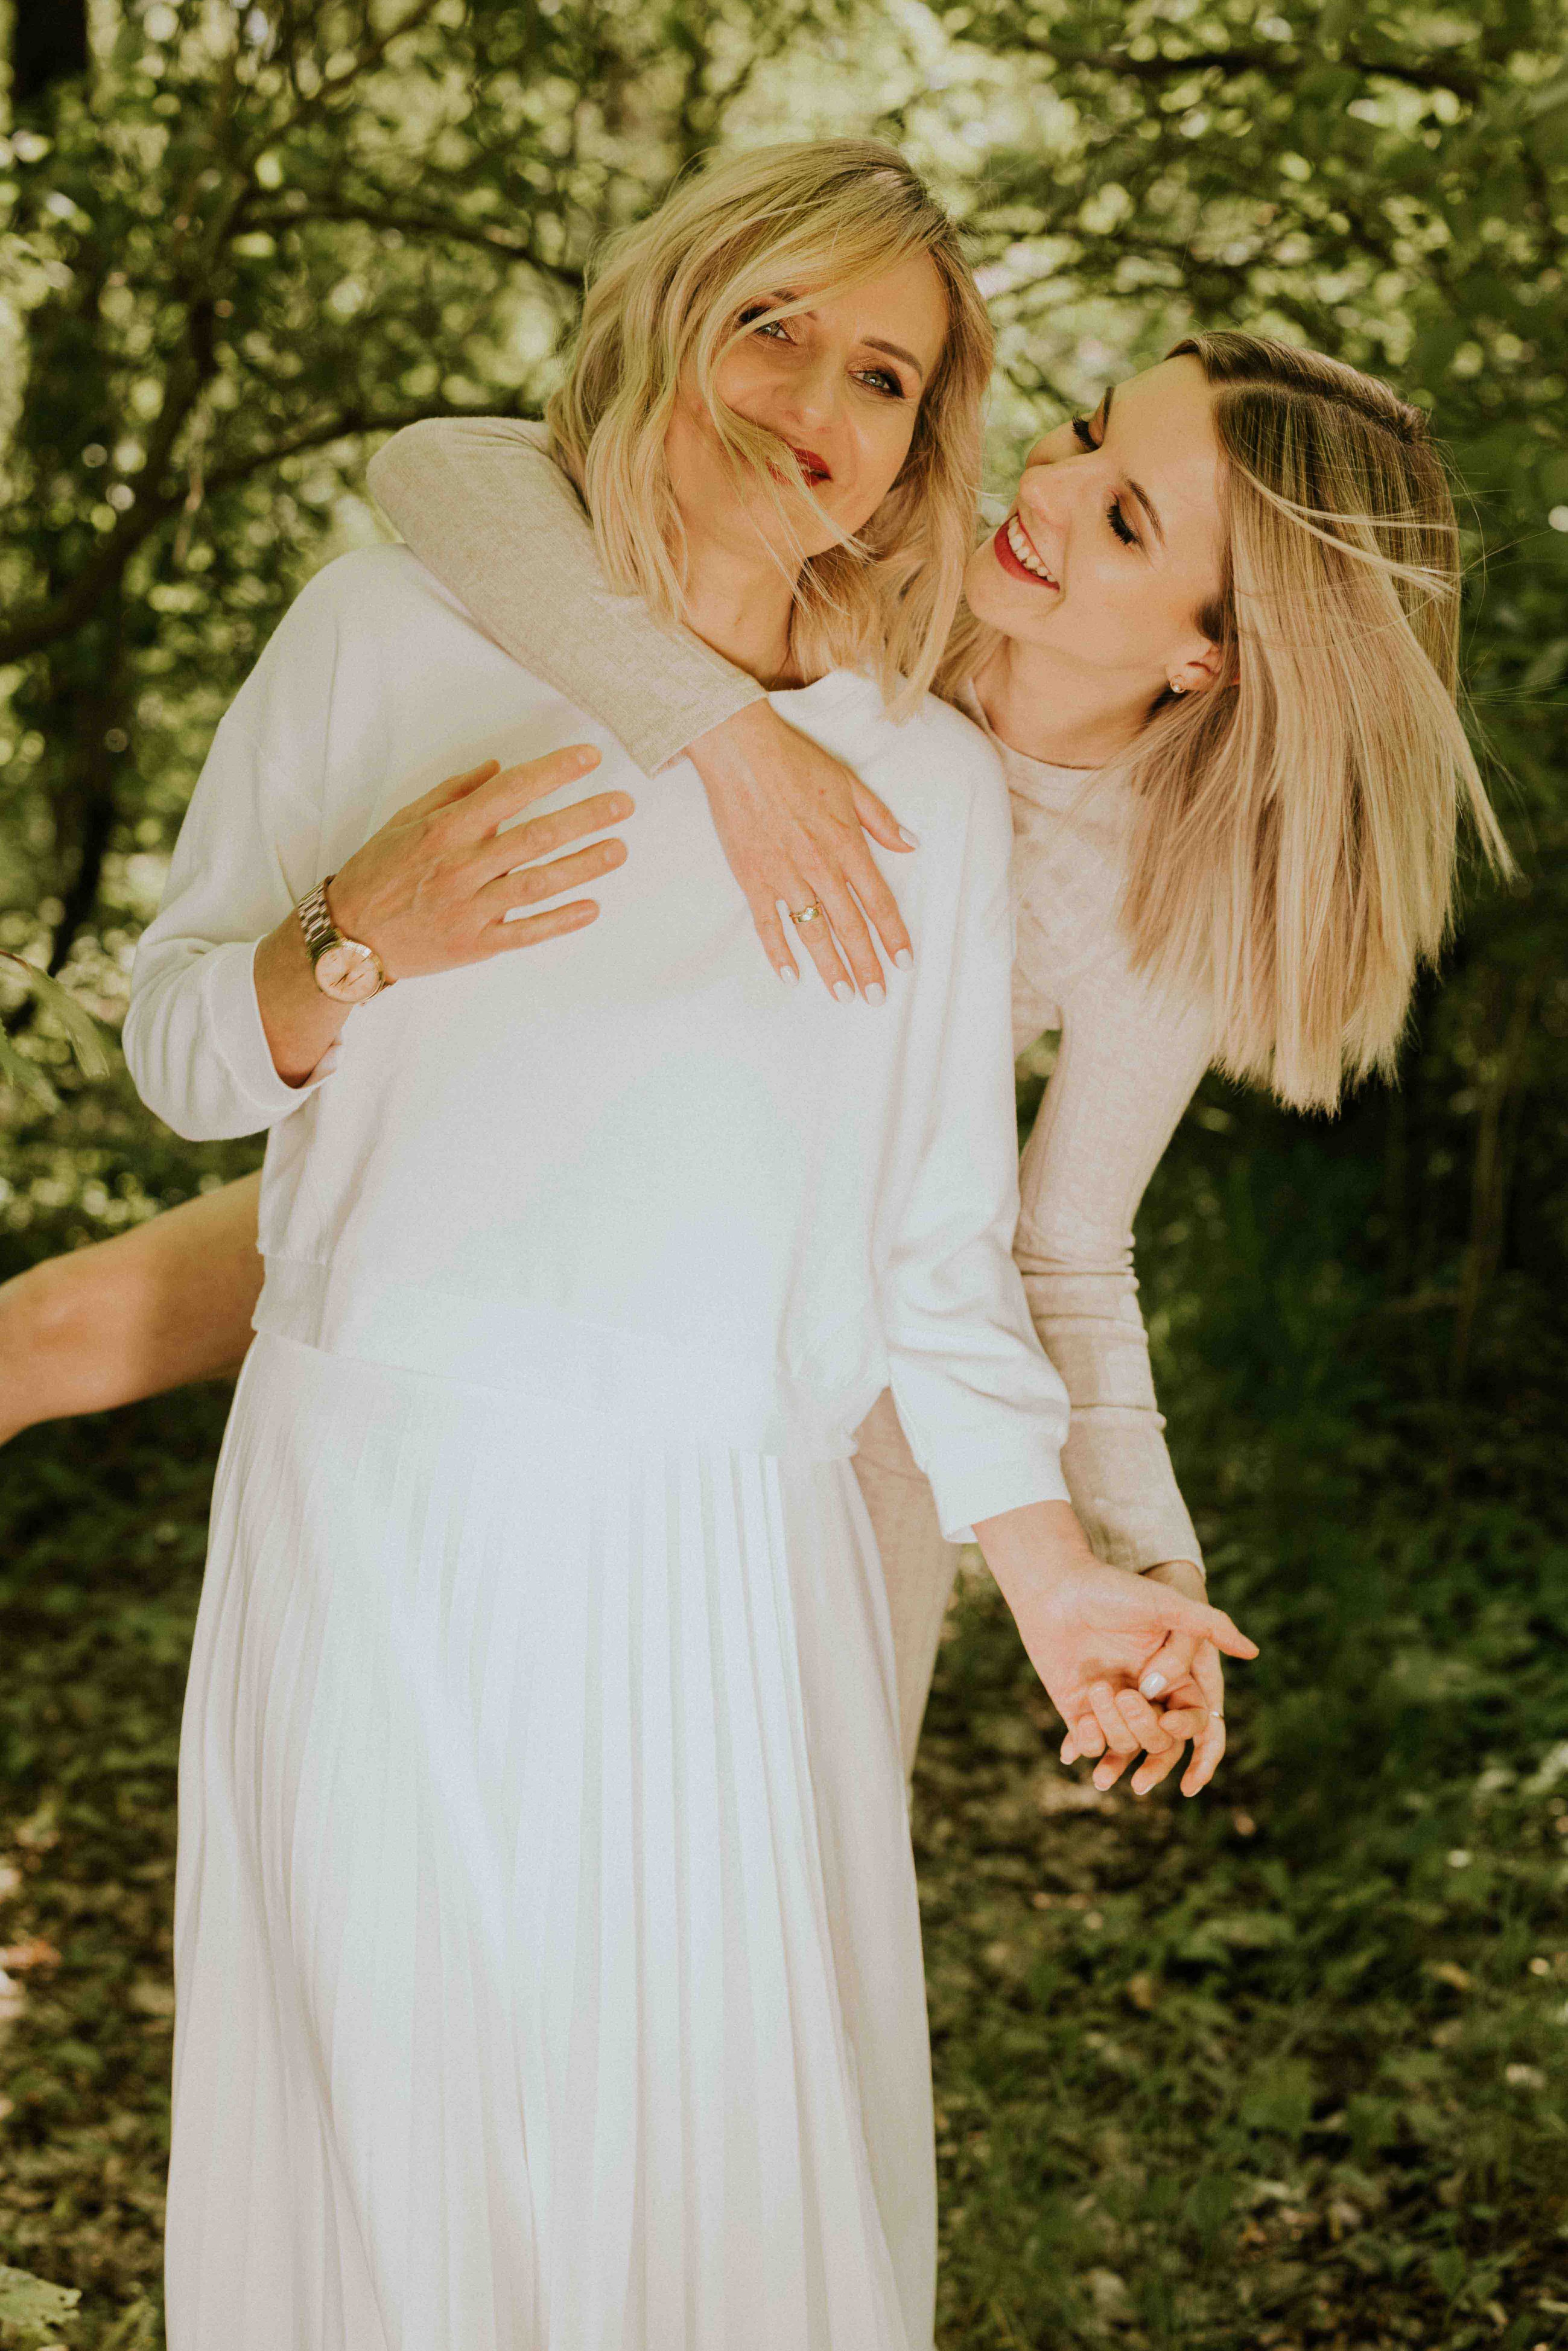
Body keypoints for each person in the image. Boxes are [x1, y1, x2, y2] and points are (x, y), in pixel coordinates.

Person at [116, 139, 1252, 2349]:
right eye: (772, 325)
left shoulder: (929, 787)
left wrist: (1068, 1577)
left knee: (714, 2218)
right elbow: (183, 1052)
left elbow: (950, 1261)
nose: (813, 397)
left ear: (914, 447)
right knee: (395, 2191)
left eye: (884, 376)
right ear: (672, 317)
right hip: (375, 1521)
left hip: (729, 1577)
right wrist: (352, 936)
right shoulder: (380, 631)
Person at [1, 312, 1504, 1800]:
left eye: (1122, 519)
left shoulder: (1147, 901)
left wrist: (1148, 1563)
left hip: (808, 1324)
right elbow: (442, 469)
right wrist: (724, 727)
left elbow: (1060, 1250)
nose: (1045, 485)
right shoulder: (874, 569)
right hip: (494, 1162)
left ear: (1212, 654)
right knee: (41, 1333)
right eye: (1088, 429)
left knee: (758, 1812)